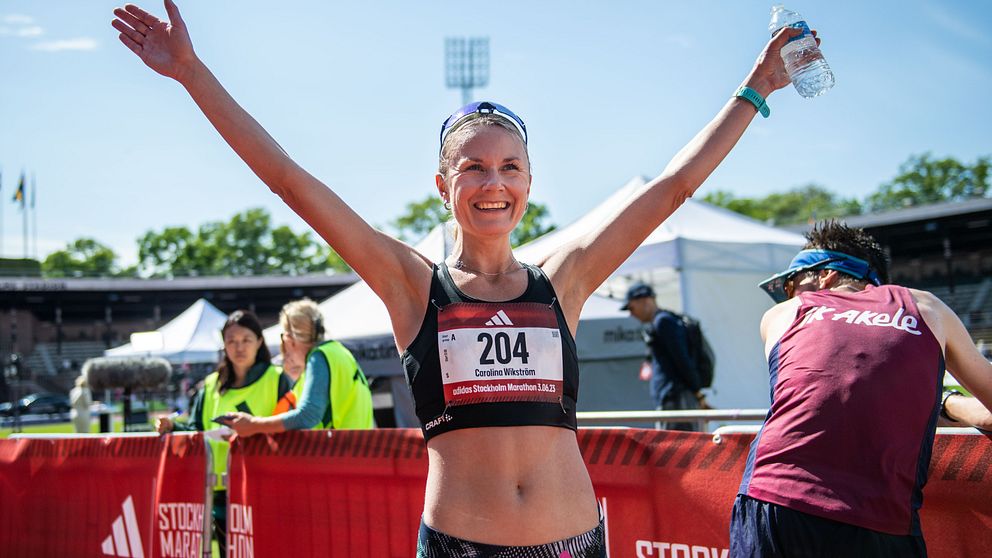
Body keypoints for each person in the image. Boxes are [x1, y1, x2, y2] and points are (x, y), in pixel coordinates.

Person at [112, 2, 804, 554]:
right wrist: (193, 74)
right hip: (458, 545)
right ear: (443, 184)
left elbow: (675, 187)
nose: (492, 182)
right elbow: (291, 183)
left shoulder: (564, 278)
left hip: (572, 544)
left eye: (509, 167)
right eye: (472, 167)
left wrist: (757, 87)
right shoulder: (411, 285)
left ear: (529, 182)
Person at [730, 221, 992, 557]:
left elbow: (825, 398)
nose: (788, 293)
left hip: (775, 500)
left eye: (792, 282)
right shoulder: (928, 308)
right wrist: (945, 402)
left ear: (825, 277)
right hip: (882, 519)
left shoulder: (784, 314)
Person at [156, 309, 291, 555]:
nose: (239, 347)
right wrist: (172, 426)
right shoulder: (210, 385)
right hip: (218, 489)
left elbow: (289, 429)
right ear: (224, 345)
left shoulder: (278, 379)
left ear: (259, 342)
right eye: (231, 341)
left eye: (246, 340)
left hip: (263, 487)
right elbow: (197, 429)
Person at [223, 298, 374, 435]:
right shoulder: (339, 353)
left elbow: (308, 415)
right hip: (358, 453)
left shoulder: (319, 357)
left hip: (342, 456)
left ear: (290, 339)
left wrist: (253, 425)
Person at [621, 283, 706, 431]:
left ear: (645, 301)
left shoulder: (663, 322)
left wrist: (697, 392)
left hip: (676, 400)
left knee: (676, 450)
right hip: (674, 399)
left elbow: (682, 360)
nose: (631, 314)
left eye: (631, 308)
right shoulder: (662, 321)